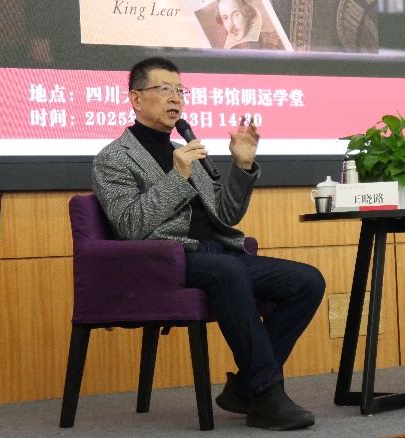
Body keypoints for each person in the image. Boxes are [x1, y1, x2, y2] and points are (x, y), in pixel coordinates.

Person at [92, 57, 324, 431]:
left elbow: (226, 215)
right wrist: (177, 176)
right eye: (164, 89)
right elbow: (131, 225)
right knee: (228, 271)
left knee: (307, 281)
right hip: (169, 259)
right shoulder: (114, 158)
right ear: (136, 99)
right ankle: (265, 392)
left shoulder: (187, 149)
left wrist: (242, 167)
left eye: (180, 91)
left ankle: (246, 387)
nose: (176, 99)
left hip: (220, 253)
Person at [216, 0, 284, 49]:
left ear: (246, 15)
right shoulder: (223, 44)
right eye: (225, 18)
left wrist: (269, 47)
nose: (231, 25)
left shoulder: (266, 36)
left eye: (236, 15)